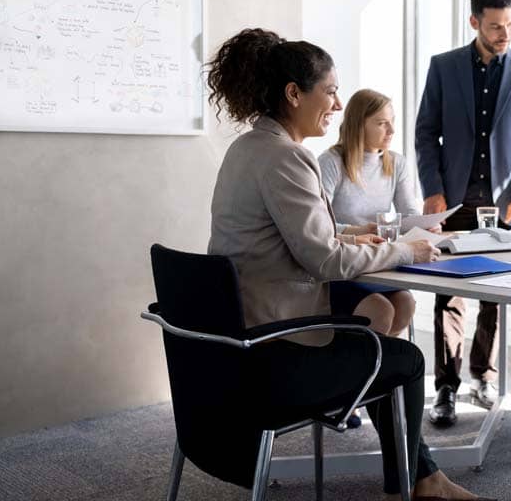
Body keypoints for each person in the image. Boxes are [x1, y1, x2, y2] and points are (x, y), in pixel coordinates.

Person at [206, 28, 488, 501]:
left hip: (242, 335)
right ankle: (417, 484)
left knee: (378, 343)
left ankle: (422, 478)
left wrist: (353, 235)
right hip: (277, 348)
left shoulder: (248, 148)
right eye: (331, 91)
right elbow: (325, 260)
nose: (337, 104)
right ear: (294, 94)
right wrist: (406, 251)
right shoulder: (286, 158)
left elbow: (296, 235)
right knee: (403, 360)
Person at [415, 0, 511, 425]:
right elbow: (426, 132)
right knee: (449, 294)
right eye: (496, 26)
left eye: (510, 24)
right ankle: (446, 385)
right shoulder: (443, 67)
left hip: (503, 203)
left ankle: (484, 375)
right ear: (475, 22)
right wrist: (432, 188)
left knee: (494, 295)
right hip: (454, 199)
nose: (505, 33)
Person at [319, 88, 420, 337]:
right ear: (359, 125)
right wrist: (357, 231)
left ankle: (382, 360)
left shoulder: (396, 163)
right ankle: (365, 359)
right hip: (344, 266)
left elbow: (408, 215)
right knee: (380, 310)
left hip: (378, 264)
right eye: (382, 123)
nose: (392, 130)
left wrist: (427, 225)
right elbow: (319, 225)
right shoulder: (331, 162)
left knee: (406, 303)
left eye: (392, 121)